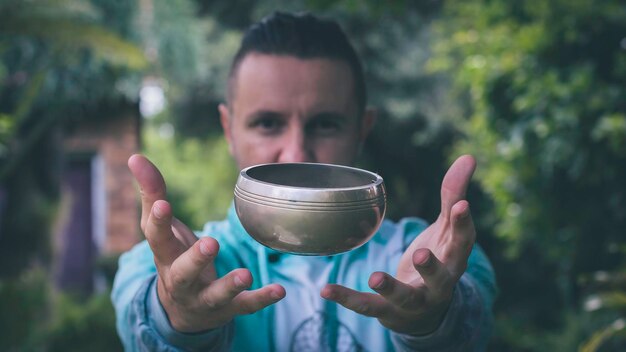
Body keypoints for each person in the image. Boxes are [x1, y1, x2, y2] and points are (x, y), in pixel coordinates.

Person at [112, 11, 496, 351]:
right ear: (229, 130)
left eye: (325, 124)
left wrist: (432, 323)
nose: (295, 152)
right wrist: (177, 318)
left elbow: (469, 326)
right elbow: (141, 325)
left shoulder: (429, 260)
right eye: (267, 123)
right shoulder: (171, 264)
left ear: (362, 130)